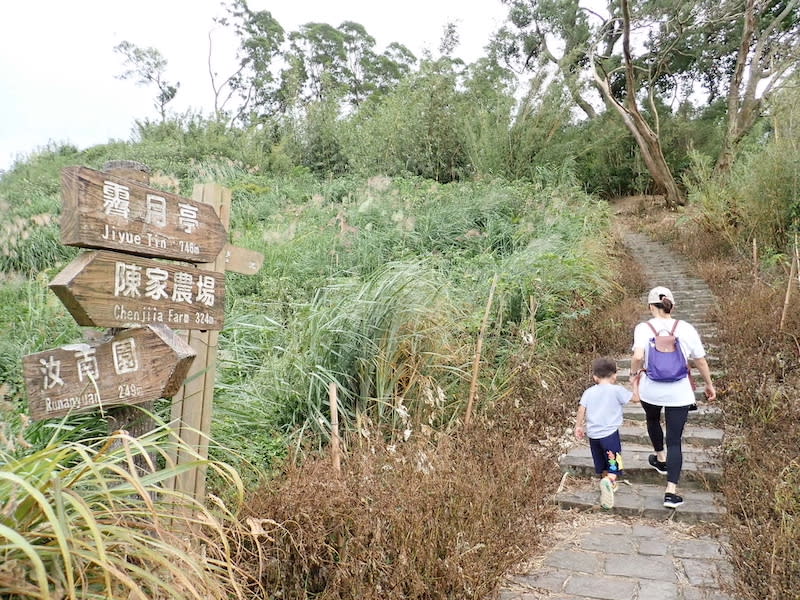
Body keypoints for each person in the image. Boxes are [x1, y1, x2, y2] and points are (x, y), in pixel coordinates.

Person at [630, 286, 717, 509]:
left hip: (651, 389)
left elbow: (638, 355)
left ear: (650, 306)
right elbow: (700, 360)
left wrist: (633, 376)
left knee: (652, 419)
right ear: (672, 306)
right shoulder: (686, 328)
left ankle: (660, 458)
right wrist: (708, 384)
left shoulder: (643, 328)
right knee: (675, 440)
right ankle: (671, 492)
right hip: (680, 392)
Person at [574, 357, 635, 510]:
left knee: (602, 463)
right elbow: (635, 399)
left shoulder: (589, 392)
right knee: (614, 461)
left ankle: (607, 484)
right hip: (610, 434)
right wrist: (636, 384)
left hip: (593, 435)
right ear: (615, 375)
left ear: (595, 377)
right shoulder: (617, 390)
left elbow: (581, 409)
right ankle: (611, 479)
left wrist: (578, 427)